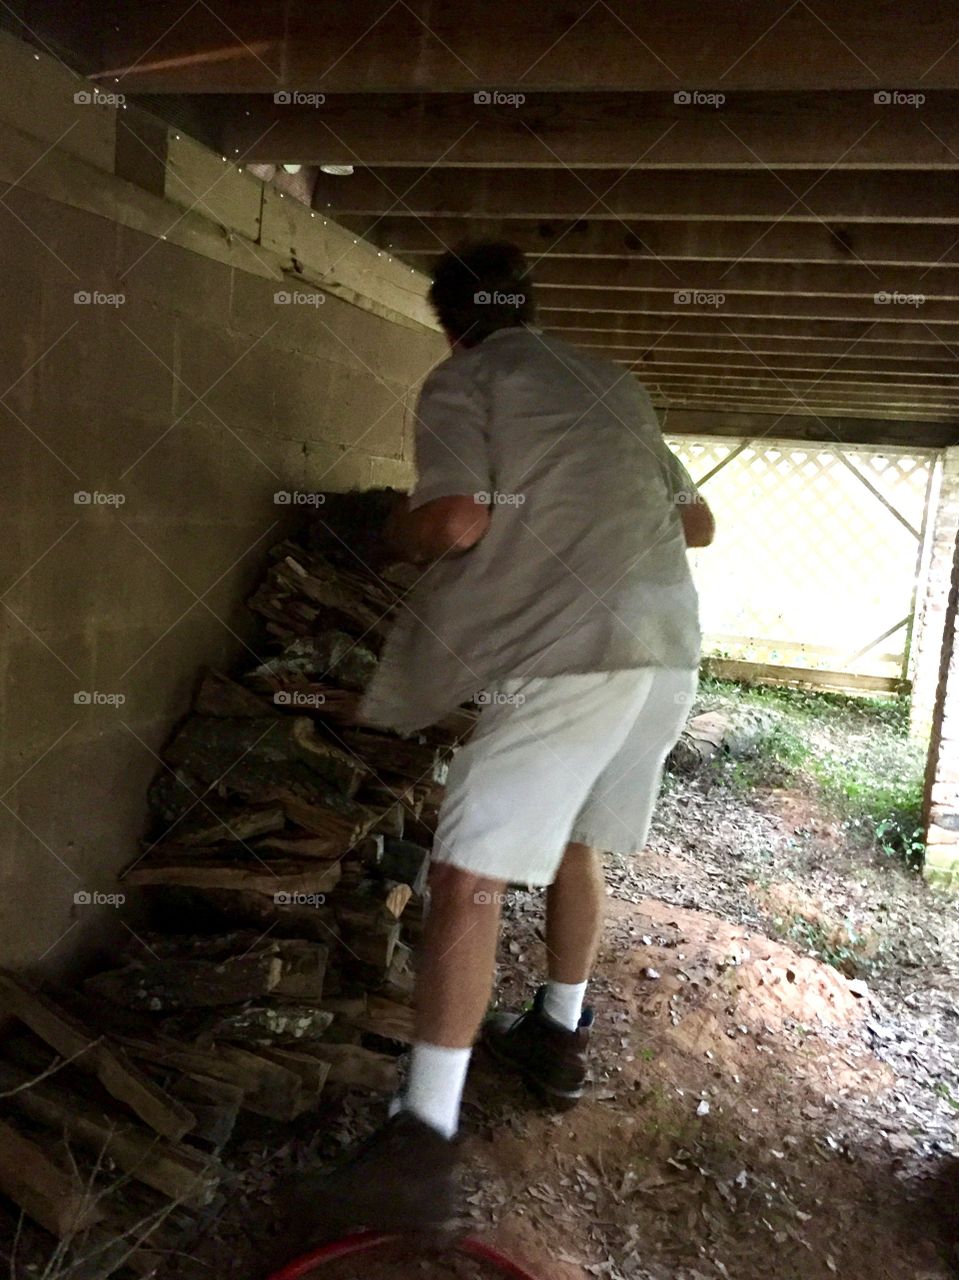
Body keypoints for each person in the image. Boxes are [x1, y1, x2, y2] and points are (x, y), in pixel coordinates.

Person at [298, 240, 714, 1238]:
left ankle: (420, 1138)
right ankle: (558, 1034)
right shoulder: (608, 381)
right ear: (527, 306)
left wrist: (383, 534)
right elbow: (695, 522)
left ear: (449, 322)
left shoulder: (463, 378)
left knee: (466, 873)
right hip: (663, 645)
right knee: (574, 836)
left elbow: (455, 522)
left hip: (570, 653)